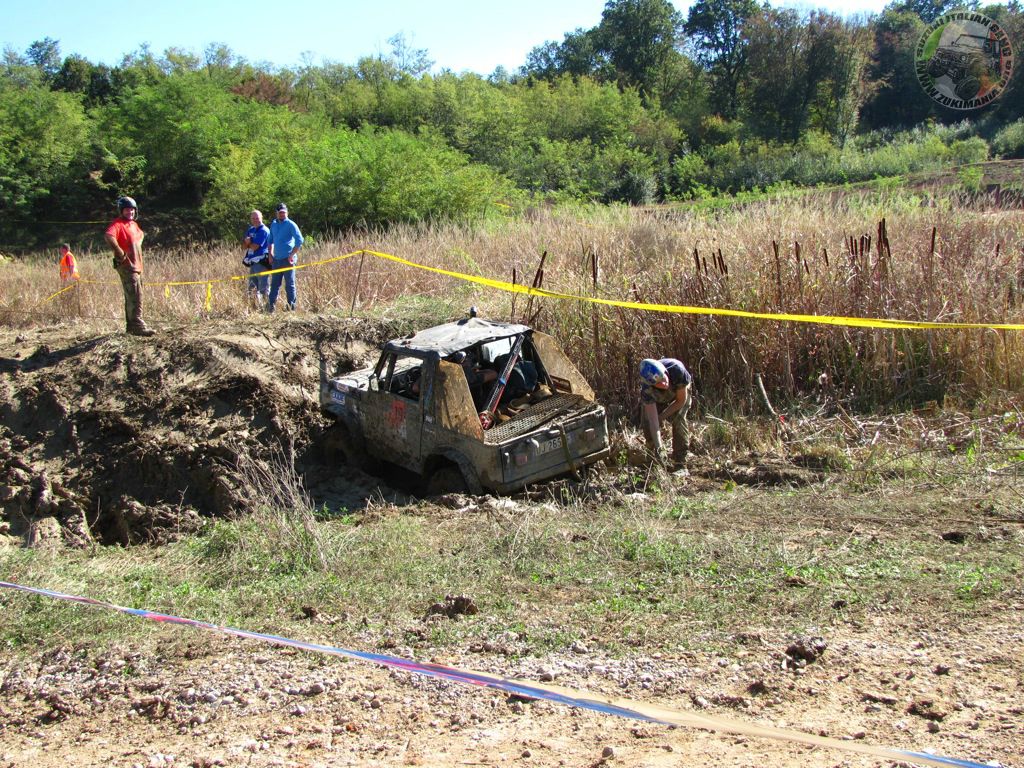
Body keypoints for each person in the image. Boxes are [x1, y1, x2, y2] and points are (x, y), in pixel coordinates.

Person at [104, 196, 154, 336]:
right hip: (127, 266)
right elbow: (109, 236)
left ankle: (131, 326)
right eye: (127, 210)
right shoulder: (118, 224)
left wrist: (136, 244)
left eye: (132, 210)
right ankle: (137, 325)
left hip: (137, 266)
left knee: (135, 294)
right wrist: (119, 252)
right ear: (121, 211)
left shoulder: (133, 225)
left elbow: (140, 235)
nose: (130, 212)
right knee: (135, 296)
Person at [639, 357, 692, 470]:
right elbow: (653, 421)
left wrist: (662, 417)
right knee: (648, 422)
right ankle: (654, 460)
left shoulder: (677, 370)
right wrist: (660, 447)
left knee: (679, 418)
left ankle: (681, 464)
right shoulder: (647, 390)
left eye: (663, 378)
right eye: (658, 383)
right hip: (658, 397)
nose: (664, 383)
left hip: (679, 393)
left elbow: (680, 401)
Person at [267, 202, 303, 312]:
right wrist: (270, 255)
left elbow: (300, 240)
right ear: (277, 213)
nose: (282, 214)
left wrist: (292, 254)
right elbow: (270, 240)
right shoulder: (273, 224)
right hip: (276, 260)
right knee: (274, 285)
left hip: (288, 260)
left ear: (287, 213)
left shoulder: (291, 224)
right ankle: (270, 308)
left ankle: (291, 308)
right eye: (280, 213)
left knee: (290, 285)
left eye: (284, 212)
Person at [242, 209, 271, 306]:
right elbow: (243, 246)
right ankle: (254, 307)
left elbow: (255, 246)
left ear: (261, 218)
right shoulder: (251, 229)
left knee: (264, 286)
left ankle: (268, 306)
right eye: (253, 218)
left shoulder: (264, 230)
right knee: (252, 287)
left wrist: (249, 242)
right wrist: (249, 243)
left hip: (261, 261)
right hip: (252, 261)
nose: (255, 220)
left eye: (257, 218)